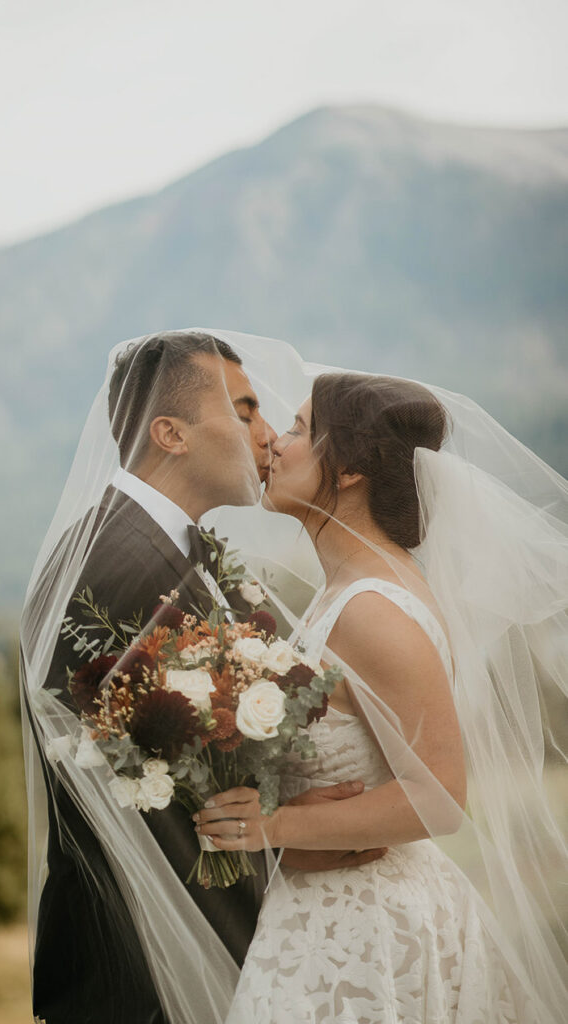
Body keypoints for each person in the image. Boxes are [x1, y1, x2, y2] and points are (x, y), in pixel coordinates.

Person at [21, 333, 385, 1024]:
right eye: (245, 410)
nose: (268, 433)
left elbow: (194, 763)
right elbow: (130, 793)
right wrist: (287, 838)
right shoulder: (112, 565)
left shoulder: (163, 547)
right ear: (170, 434)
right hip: (137, 970)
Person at [194, 370, 568, 1023]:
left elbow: (438, 798)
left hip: (361, 931)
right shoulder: (348, 590)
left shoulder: (371, 610)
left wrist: (271, 827)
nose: (274, 445)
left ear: (349, 471)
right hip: (329, 904)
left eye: (299, 429)